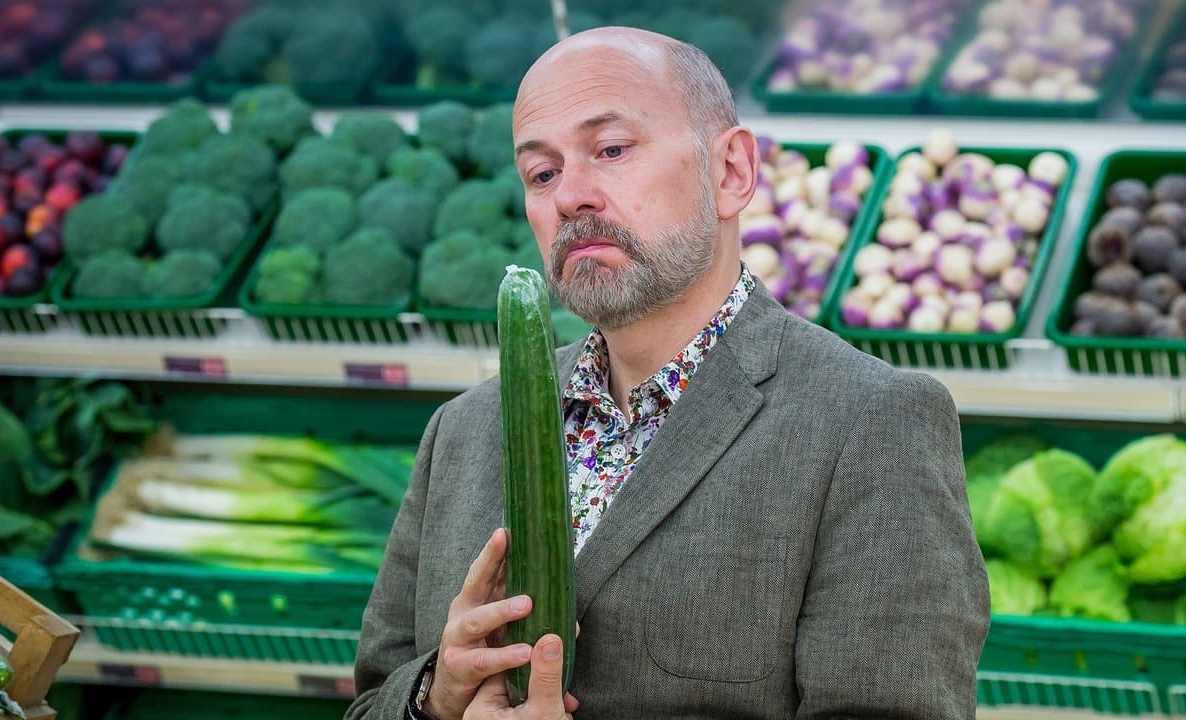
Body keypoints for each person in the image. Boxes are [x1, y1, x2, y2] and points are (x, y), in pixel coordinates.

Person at [346, 26, 989, 720]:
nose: (571, 196)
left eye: (612, 150)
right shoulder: (463, 429)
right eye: (542, 172)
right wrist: (432, 700)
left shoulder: (871, 422)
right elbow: (369, 700)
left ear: (733, 173)